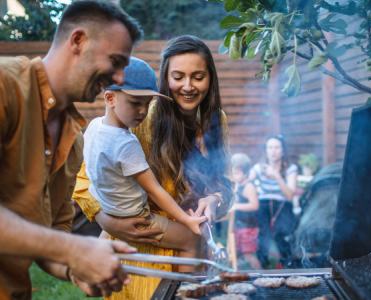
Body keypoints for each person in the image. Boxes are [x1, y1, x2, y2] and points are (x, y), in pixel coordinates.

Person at [0, 1, 144, 299]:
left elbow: (55, 230)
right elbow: (61, 243)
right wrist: (73, 250)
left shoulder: (75, 138)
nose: (119, 78)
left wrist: (75, 269)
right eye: (115, 61)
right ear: (78, 41)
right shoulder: (5, 86)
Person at [73, 35, 234, 300]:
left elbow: (225, 183)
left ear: (210, 79)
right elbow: (87, 179)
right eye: (178, 76)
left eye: (198, 76)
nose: (188, 86)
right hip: (141, 249)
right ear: (165, 78)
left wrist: (215, 200)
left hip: (192, 250)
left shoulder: (217, 121)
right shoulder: (141, 115)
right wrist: (109, 221)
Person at [84, 57, 207, 250]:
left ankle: (92, 266)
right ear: (110, 98)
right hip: (135, 217)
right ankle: (185, 282)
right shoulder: (126, 144)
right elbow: (154, 190)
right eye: (135, 103)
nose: (142, 111)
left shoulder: (93, 126)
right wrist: (186, 220)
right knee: (192, 240)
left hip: (108, 206)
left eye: (147, 103)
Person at [249, 135, 298, 269]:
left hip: (283, 205)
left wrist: (276, 175)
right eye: (270, 147)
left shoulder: (290, 168)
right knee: (263, 234)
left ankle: (288, 265)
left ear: (283, 151)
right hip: (264, 204)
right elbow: (245, 181)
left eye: (277, 147)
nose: (273, 151)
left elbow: (289, 195)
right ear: (265, 150)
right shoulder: (259, 168)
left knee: (281, 234)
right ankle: (264, 265)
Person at [230, 153, 262, 270]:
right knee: (237, 253)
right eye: (232, 173)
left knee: (248, 254)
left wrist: (237, 206)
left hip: (249, 227)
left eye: (236, 173)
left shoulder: (249, 186)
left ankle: (261, 275)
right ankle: (237, 275)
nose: (234, 176)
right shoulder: (239, 185)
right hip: (239, 225)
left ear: (245, 173)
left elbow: (254, 205)